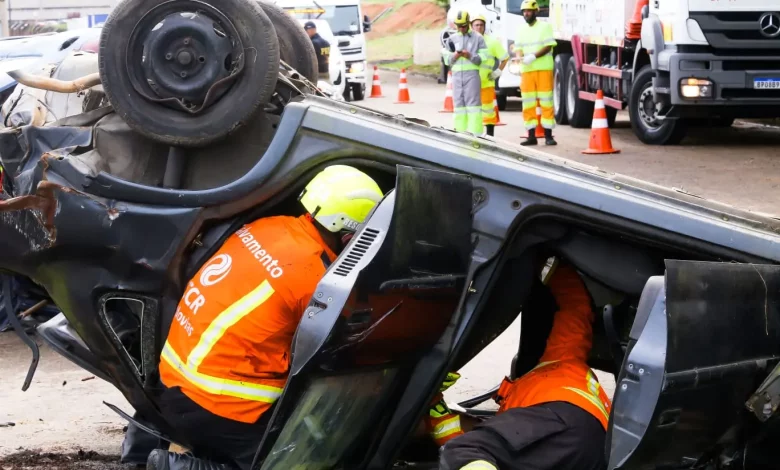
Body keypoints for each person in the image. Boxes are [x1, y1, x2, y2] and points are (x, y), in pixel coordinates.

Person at [146, 165, 385, 470]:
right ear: (350, 235)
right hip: (220, 405)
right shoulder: (315, 276)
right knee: (304, 462)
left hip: (173, 382)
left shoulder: (270, 227)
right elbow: (336, 349)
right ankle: (183, 468)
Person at [439, 259, 612, 470]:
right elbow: (577, 307)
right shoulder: (564, 360)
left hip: (566, 425)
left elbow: (473, 444)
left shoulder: (558, 360)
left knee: (463, 452)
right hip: (592, 446)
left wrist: (548, 262)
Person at [515, 0, 557, 146]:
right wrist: (520, 57)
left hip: (543, 69)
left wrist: (533, 56)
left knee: (546, 103)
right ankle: (531, 136)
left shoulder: (545, 27)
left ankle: (548, 136)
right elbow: (518, 48)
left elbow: (548, 46)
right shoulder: (521, 30)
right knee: (528, 104)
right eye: (524, 11)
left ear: (535, 12)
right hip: (527, 71)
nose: (526, 13)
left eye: (529, 11)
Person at [442, 11, 488, 136]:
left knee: (473, 107)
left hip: (472, 76)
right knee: (459, 108)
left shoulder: (478, 38)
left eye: (463, 25)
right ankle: (460, 134)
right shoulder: (451, 39)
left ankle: (476, 135)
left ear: (468, 23)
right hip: (457, 78)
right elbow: (446, 59)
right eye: (458, 26)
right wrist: (455, 56)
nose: (461, 28)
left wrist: (470, 55)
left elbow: (483, 58)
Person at [470, 14, 509, 137]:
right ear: (471, 26)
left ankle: (490, 136)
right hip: (471, 84)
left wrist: (498, 72)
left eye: (481, 25)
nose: (479, 27)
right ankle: (475, 135)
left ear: (484, 27)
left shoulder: (492, 42)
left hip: (486, 83)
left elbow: (505, 58)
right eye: (476, 25)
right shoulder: (467, 42)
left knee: (488, 111)